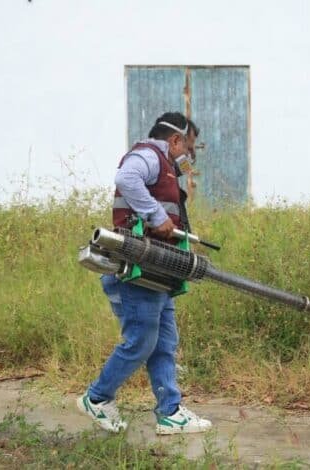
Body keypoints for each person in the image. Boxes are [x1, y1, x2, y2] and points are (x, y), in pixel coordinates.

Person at [77, 112, 212, 435]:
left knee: (164, 342)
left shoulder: (165, 167)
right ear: (175, 140)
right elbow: (126, 179)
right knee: (141, 340)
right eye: (188, 149)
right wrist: (154, 214)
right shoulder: (149, 156)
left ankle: (170, 412)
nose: (188, 157)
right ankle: (97, 398)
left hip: (156, 271)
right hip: (137, 269)